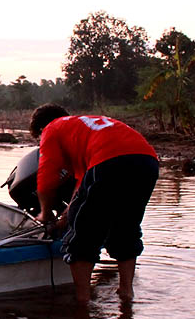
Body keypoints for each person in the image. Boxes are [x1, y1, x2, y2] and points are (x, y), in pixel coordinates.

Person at [29, 104, 158, 303]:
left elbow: (46, 179)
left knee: (82, 235)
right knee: (125, 228)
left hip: (109, 161)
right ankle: (126, 292)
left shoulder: (51, 129)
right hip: (147, 161)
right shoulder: (84, 126)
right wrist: (66, 215)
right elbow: (83, 184)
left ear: (40, 130)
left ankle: (83, 302)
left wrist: (45, 213)